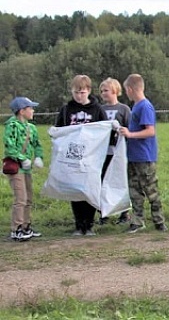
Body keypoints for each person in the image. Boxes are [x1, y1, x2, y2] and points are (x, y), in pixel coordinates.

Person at [55, 74, 108, 236]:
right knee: (76, 190)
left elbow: (105, 130)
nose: (79, 96)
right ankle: (79, 225)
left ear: (89, 91)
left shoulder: (97, 109)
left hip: (91, 157)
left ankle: (89, 224)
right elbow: (59, 129)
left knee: (89, 190)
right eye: (76, 92)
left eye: (82, 92)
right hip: (72, 157)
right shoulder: (66, 110)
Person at [118, 74, 167, 233]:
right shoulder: (136, 106)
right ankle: (137, 221)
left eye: (126, 90)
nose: (126, 93)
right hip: (133, 155)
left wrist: (130, 135)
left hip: (144, 156)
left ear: (131, 89)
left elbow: (150, 131)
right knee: (135, 191)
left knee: (151, 190)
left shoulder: (145, 106)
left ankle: (159, 221)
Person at [4, 97, 44, 241]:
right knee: (20, 199)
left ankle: (26, 226)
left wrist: (39, 157)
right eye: (30, 108)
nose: (33, 110)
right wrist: (22, 158)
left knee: (28, 198)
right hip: (16, 168)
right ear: (22, 111)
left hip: (27, 169)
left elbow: (37, 144)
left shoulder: (31, 127)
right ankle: (17, 229)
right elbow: (10, 147)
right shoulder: (12, 126)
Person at [99, 77, 131, 225]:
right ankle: (103, 213)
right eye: (101, 91)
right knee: (102, 181)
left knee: (120, 180)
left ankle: (124, 214)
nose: (103, 93)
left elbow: (129, 128)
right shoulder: (100, 109)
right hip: (103, 152)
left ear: (114, 91)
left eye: (106, 90)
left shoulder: (123, 109)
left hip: (118, 151)